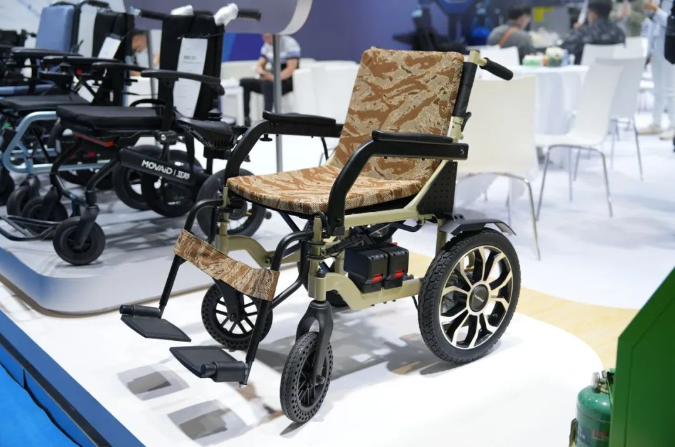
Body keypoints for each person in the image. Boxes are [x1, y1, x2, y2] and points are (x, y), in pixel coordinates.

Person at [240, 33, 300, 125]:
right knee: (244, 82)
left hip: (286, 82)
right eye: (264, 36)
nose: (266, 39)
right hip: (271, 80)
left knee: (267, 85)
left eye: (268, 36)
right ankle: (246, 118)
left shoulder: (289, 43)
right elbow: (259, 65)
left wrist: (272, 78)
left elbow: (290, 69)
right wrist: (262, 73)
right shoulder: (267, 45)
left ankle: (266, 121)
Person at [639, 0, 675, 139]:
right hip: (656, 47)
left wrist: (657, 11)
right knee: (658, 89)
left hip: (670, 47)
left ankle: (673, 125)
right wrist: (649, 48)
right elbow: (653, 25)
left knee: (670, 89)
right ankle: (656, 122)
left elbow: (671, 22)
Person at [561, 0, 626, 63]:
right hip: (611, 69)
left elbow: (564, 49)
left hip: (586, 69)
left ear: (592, 13)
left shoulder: (584, 32)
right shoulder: (619, 33)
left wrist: (574, 31)